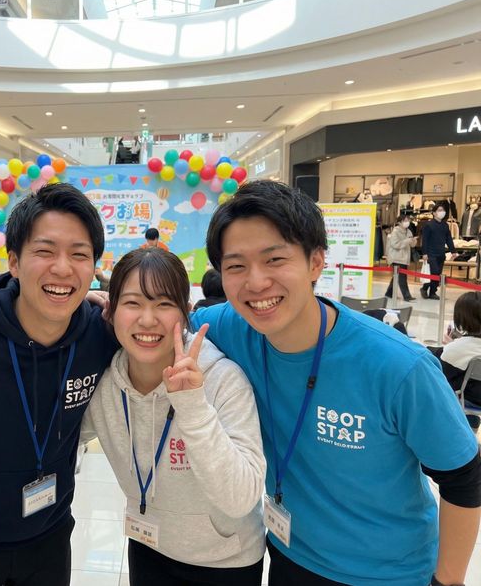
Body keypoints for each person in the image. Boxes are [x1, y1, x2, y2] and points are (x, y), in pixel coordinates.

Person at [191, 180, 480, 586]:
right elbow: (159, 325)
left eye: (275, 259)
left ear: (315, 262)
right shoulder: (229, 328)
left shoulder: (397, 365)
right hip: (289, 556)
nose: (255, 283)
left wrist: (447, 582)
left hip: (389, 575)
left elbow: (463, 477)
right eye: (236, 266)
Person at [0, 183, 120, 586]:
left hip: (49, 535)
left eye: (79, 254)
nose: (62, 269)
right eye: (45, 251)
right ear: (13, 261)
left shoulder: (100, 335)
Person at [81, 247, 266, 586]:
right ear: (110, 310)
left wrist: (192, 406)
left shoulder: (222, 379)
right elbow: (60, 438)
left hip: (224, 560)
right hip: (148, 546)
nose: (147, 319)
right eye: (132, 303)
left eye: (164, 304)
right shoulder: (105, 384)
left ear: (186, 312)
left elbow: (242, 499)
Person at [429, 291, 481, 411]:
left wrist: (453, 346)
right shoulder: (463, 346)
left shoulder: (460, 347)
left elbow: (440, 375)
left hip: (469, 399)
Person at [421, 201, 457, 300]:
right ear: (434, 213)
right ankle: (425, 288)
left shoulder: (445, 225)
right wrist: (424, 253)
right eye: (440, 210)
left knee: (437, 274)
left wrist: (453, 251)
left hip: (441, 253)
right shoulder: (428, 225)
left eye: (443, 210)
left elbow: (448, 239)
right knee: (434, 272)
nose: (442, 212)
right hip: (431, 254)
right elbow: (425, 240)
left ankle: (432, 292)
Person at [385, 214, 417, 302]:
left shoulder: (409, 231)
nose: (407, 222)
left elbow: (412, 245)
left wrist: (413, 241)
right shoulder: (395, 231)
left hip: (404, 258)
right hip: (396, 258)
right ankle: (407, 296)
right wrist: (407, 241)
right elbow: (395, 244)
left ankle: (389, 293)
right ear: (399, 222)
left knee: (397, 276)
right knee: (402, 277)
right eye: (405, 221)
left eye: (408, 220)